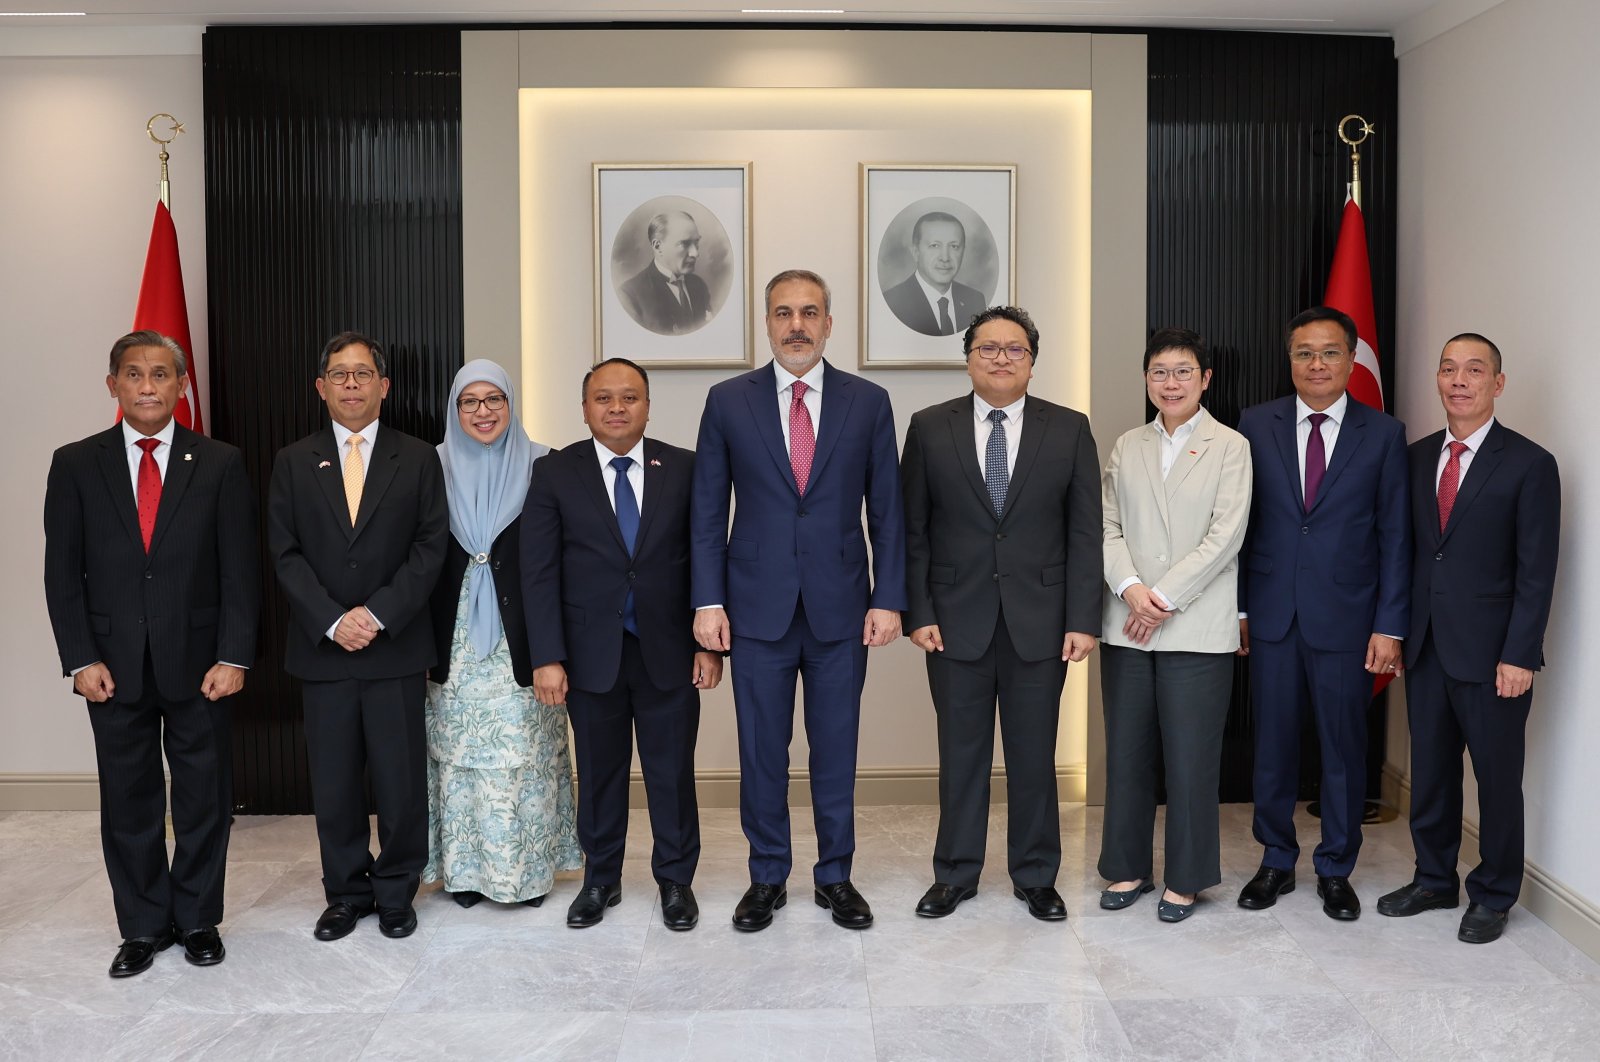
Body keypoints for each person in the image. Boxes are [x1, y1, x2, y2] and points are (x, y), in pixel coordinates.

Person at [691, 269, 906, 932]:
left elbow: (889, 513)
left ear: (829, 323)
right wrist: (707, 600)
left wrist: (889, 597)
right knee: (762, 749)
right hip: (755, 608)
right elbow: (706, 511)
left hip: (843, 606)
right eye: (783, 313)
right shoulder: (728, 401)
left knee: (836, 747)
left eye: (810, 312)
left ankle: (835, 877)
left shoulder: (867, 402)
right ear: (767, 323)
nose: (797, 325)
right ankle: (767, 877)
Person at [44, 330, 259, 978]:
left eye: (160, 374)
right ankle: (140, 927)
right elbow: (62, 573)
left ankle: (196, 919)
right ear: (112, 384)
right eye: (133, 374)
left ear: (180, 385)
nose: (147, 386)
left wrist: (234, 655)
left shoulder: (219, 463)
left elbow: (239, 572)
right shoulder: (76, 463)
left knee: (203, 799)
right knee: (129, 801)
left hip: (200, 669)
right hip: (110, 669)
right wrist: (80, 660)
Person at [901, 305, 1101, 923]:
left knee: (1034, 755)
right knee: (960, 754)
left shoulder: (1068, 428)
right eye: (988, 348)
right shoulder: (930, 426)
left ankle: (1037, 875)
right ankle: (955, 874)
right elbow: (913, 531)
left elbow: (1085, 532)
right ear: (968, 358)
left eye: (1014, 349)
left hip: (1041, 621)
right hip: (953, 620)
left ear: (1033, 363)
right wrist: (918, 611)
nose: (1001, 359)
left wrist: (1083, 617)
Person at [523, 357, 722, 930]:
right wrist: (547, 657)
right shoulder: (556, 473)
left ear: (648, 405)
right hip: (590, 657)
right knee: (601, 771)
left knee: (671, 773)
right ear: (584, 408)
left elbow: (707, 558)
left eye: (629, 398)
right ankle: (600, 879)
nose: (616, 408)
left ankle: (676, 881)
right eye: (603, 398)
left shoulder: (683, 468)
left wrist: (710, 646)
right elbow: (539, 574)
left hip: (670, 650)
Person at [1377, 334, 1559, 944]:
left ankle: (1495, 892)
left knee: (1497, 779)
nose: (1459, 380)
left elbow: (1537, 571)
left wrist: (1519, 653)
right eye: (1449, 369)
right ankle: (1433, 879)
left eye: (1474, 370)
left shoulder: (1531, 464)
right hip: (1427, 647)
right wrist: (1396, 630)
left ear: (1497, 383)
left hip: (1493, 656)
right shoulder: (1416, 455)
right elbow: (1403, 555)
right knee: (1430, 772)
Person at [267, 331, 448, 942]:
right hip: (324, 652)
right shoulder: (293, 460)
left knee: (400, 782)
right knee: (336, 783)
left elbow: (430, 549)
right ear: (321, 387)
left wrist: (376, 615)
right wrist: (333, 620)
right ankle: (345, 892)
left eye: (363, 373)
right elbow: (285, 553)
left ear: (383, 386)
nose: (351, 383)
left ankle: (396, 891)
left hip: (393, 646)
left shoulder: (419, 457)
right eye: (339, 374)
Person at [1235, 306, 1410, 921]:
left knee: (1343, 749)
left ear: (1351, 358)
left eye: (1330, 352)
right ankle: (1276, 860)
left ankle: (1336, 868)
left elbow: (1395, 536)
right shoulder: (1255, 425)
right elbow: (1239, 525)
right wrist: (1238, 609)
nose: (1316, 364)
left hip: (1349, 621)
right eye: (1304, 353)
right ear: (1290, 361)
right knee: (1273, 747)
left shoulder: (1384, 433)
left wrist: (1390, 625)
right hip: (1272, 614)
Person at [1097, 328, 1251, 923]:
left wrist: (1159, 596)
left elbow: (1226, 535)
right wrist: (1131, 591)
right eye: (1159, 371)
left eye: (1183, 371)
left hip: (1194, 625)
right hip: (1126, 626)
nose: (1171, 382)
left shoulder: (1229, 446)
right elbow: (1106, 527)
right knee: (1128, 753)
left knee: (1190, 759)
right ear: (1146, 379)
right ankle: (1128, 866)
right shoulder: (1126, 444)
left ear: (1206, 379)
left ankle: (1186, 878)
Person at [423, 360, 582, 911]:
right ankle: (465, 875)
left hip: (526, 637)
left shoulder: (546, 466)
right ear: (455, 409)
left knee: (526, 756)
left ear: (511, 405)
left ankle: (526, 875)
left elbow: (563, 561)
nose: (483, 411)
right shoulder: (428, 467)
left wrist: (555, 648)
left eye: (494, 400)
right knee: (459, 755)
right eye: (470, 401)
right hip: (455, 639)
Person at [881, 211, 988, 337]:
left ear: (963, 252)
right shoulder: (893, 302)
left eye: (954, 246)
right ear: (916, 252)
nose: (945, 257)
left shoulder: (975, 300)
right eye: (934, 245)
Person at [618, 210, 712, 336]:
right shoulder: (629, 295)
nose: (695, 253)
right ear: (658, 247)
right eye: (684, 244)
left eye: (696, 243)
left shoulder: (699, 285)